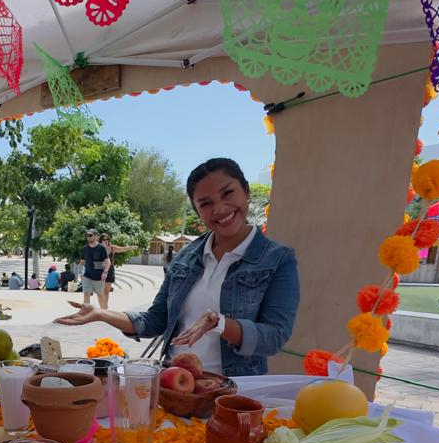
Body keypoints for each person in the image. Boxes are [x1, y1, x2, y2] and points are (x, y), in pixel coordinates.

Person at [56, 158, 300, 376]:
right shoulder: (186, 256)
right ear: (197, 210)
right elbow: (155, 320)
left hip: (232, 392)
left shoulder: (278, 259)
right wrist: (100, 313)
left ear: (245, 191)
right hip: (173, 384)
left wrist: (220, 324)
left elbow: (274, 337)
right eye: (205, 203)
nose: (220, 209)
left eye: (228, 193)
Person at [98, 231, 134, 310]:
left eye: (107, 239)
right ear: (101, 240)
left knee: (106, 291)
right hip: (100, 271)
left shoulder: (112, 248)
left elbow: (122, 249)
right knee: (100, 291)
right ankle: (102, 307)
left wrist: (130, 247)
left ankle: (105, 308)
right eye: (104, 240)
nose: (106, 241)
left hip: (110, 270)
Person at [80, 229, 109, 308]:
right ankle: (86, 312)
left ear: (96, 236)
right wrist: (81, 272)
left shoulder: (101, 248)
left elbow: (107, 261)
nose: (88, 237)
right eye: (87, 235)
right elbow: (82, 261)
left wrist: (105, 271)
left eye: (90, 235)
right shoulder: (85, 248)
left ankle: (104, 312)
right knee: (86, 293)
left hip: (99, 277)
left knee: (100, 295)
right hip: (87, 276)